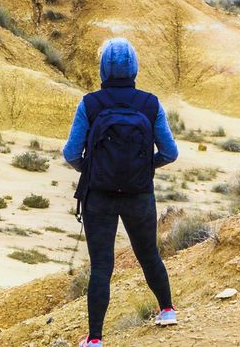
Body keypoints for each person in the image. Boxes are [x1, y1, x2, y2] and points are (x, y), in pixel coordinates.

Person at [62, 37, 181, 346]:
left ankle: (95, 339)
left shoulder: (90, 104)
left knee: (101, 266)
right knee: (148, 254)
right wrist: (146, 167)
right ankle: (167, 309)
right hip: (139, 194)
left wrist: (90, 170)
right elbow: (170, 152)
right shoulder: (150, 103)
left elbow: (71, 152)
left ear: (103, 69)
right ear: (134, 68)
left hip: (98, 195)